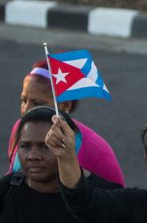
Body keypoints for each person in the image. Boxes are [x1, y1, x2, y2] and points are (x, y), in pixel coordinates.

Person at [8, 59, 125, 187]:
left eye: (37, 103)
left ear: (64, 105)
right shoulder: (20, 129)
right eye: (24, 100)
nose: (26, 110)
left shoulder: (95, 152)